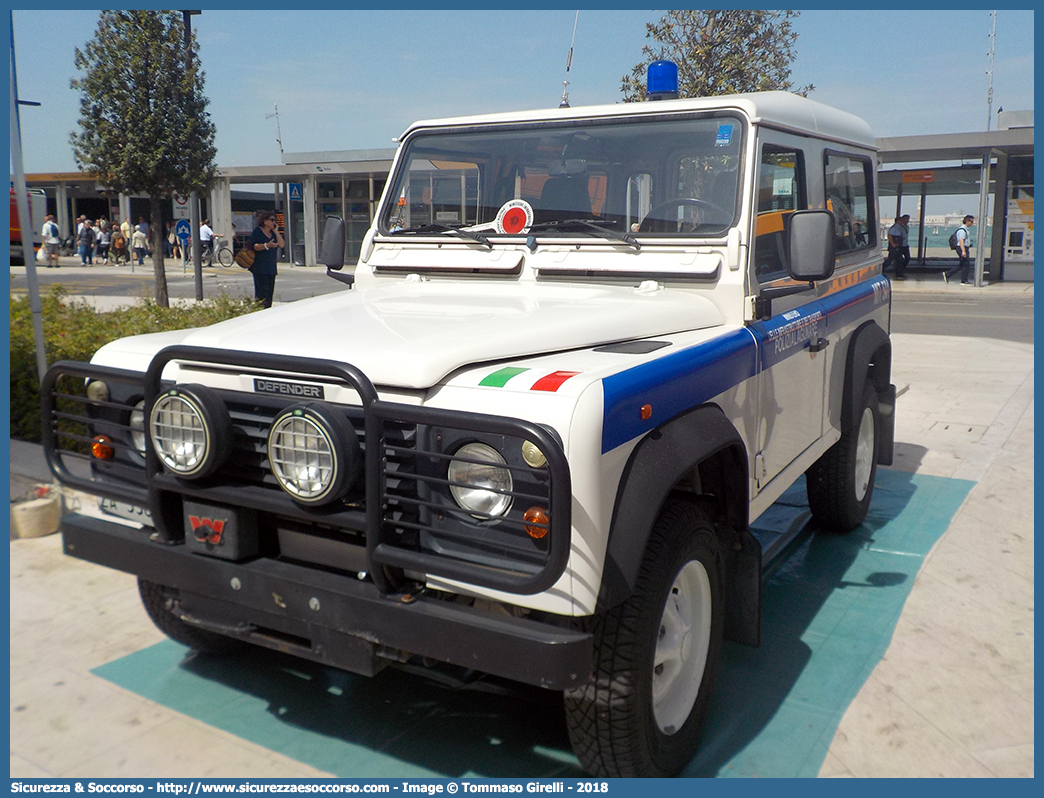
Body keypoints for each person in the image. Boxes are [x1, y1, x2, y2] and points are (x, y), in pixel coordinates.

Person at [249, 210, 284, 308]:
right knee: (261, 293)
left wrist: (277, 232)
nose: (274, 222)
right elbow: (254, 246)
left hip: (271, 268)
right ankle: (259, 310)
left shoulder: (273, 233)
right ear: (265, 221)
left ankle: (267, 309)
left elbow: (281, 244)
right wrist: (266, 245)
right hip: (260, 267)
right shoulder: (258, 231)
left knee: (269, 294)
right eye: (272, 220)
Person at [944, 215, 975, 285]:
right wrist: (963, 251)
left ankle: (948, 274)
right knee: (966, 264)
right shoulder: (962, 230)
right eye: (971, 221)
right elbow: (961, 241)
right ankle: (964, 280)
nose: (972, 223)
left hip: (964, 247)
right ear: (967, 221)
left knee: (962, 264)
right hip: (961, 248)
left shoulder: (966, 229)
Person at [886, 214, 909, 280]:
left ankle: (900, 274)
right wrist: (893, 244)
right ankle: (881, 270)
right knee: (890, 260)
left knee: (900, 260)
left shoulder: (900, 227)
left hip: (898, 246)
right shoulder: (895, 228)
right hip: (894, 247)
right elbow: (890, 236)